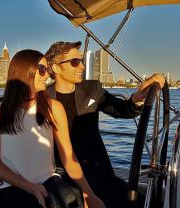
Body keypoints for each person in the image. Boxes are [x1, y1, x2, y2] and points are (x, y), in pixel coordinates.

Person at [44, 41, 165, 208]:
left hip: (97, 169)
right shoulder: (42, 98)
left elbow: (122, 109)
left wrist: (138, 97)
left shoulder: (92, 88)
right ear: (56, 68)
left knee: (143, 203)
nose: (81, 66)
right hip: (62, 172)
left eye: (82, 61)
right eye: (75, 62)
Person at [0, 49, 105, 208]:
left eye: (47, 70)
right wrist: (30, 187)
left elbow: (69, 158)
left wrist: (89, 194)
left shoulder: (53, 108)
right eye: (42, 70)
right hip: (11, 187)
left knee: (69, 200)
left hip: (49, 182)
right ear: (24, 70)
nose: (47, 75)